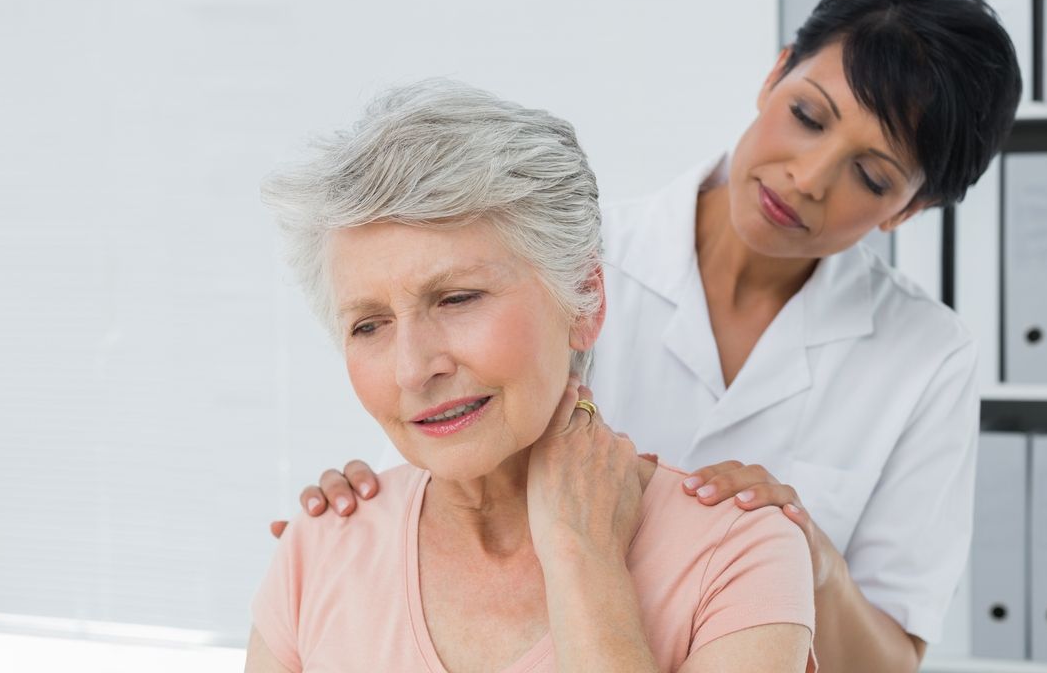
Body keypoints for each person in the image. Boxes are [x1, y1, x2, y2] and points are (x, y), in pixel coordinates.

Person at [283, 0, 1023, 672]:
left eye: (871, 175)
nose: (808, 177)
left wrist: (806, 555)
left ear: (908, 210)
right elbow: (435, 428)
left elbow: (889, 660)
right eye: (807, 116)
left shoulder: (926, 357)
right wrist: (361, 527)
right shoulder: (557, 256)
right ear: (774, 75)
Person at [247, 80, 817, 672]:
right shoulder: (317, 551)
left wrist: (584, 562)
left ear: (585, 301)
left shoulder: (740, 556)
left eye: (457, 299)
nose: (414, 369)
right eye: (369, 325)